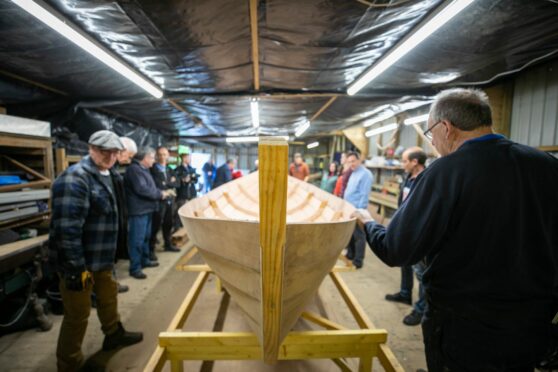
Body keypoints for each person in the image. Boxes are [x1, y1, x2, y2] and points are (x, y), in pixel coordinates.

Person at [353, 88, 558, 371]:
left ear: (446, 128)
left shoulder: (445, 171)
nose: (433, 143)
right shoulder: (547, 165)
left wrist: (367, 222)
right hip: (531, 324)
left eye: (430, 134)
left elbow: (396, 249)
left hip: (464, 326)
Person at [49, 130, 143, 371]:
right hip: (79, 263)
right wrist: (75, 270)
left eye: (115, 152)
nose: (110, 157)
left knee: (109, 298)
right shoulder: (75, 179)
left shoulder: (109, 175)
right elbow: (66, 230)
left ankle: (113, 334)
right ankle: (69, 364)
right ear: (90, 148)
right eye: (104, 152)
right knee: (77, 315)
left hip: (102, 259)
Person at [384, 147, 427, 326]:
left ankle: (421, 310)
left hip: (419, 233)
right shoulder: (408, 179)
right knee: (405, 264)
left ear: (414, 162)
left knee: (421, 273)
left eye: (404, 161)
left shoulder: (427, 180)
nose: (402, 164)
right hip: (406, 230)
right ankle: (404, 293)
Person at [124, 147, 174, 279]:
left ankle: (144, 261)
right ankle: (135, 268)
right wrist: (160, 194)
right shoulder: (135, 170)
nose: (154, 160)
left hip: (146, 209)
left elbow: (149, 187)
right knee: (137, 239)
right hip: (139, 211)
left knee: (145, 237)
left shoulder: (143, 170)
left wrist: (160, 192)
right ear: (144, 158)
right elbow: (142, 189)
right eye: (152, 157)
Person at [343, 151, 373, 269]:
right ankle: (351, 254)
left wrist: (360, 211)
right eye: (349, 161)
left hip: (357, 209)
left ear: (359, 160)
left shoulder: (365, 174)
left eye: (353, 161)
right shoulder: (353, 173)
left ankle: (358, 260)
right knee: (351, 233)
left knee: (359, 235)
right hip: (349, 208)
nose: (351, 163)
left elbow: (364, 194)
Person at [150, 147, 179, 257]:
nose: (162, 157)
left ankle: (167, 244)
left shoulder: (170, 169)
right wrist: (169, 182)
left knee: (168, 224)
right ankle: (150, 250)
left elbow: (178, 183)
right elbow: (157, 185)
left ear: (168, 156)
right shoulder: (152, 170)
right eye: (160, 154)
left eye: (165, 154)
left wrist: (166, 183)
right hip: (158, 202)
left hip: (169, 201)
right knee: (155, 226)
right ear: (157, 156)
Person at [174, 152, 198, 228]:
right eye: (188, 158)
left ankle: (187, 228)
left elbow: (195, 180)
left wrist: (192, 179)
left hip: (191, 193)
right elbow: (176, 181)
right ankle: (177, 228)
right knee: (180, 212)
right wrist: (183, 180)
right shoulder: (178, 170)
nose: (189, 159)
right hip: (182, 194)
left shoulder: (191, 168)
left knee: (190, 212)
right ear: (184, 158)